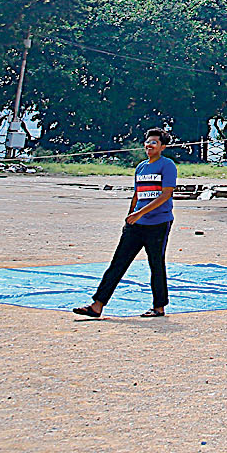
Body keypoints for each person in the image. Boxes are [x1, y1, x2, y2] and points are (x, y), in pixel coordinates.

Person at [75, 127, 177, 320]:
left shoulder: (167, 165)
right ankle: (97, 306)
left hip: (158, 223)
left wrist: (140, 213)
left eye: (154, 142)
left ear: (162, 146)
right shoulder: (141, 167)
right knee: (118, 263)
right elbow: (137, 194)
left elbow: (166, 194)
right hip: (136, 224)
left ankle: (159, 307)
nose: (149, 145)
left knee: (156, 264)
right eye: (148, 142)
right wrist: (131, 215)